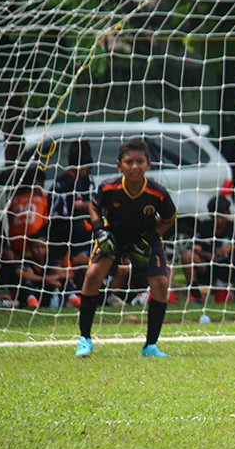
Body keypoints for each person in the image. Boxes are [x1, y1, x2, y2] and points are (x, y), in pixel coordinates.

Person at [76, 137, 177, 358]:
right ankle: (84, 339)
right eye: (129, 161)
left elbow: (169, 218)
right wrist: (99, 230)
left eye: (140, 161)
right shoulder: (108, 187)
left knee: (161, 283)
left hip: (145, 238)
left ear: (148, 165)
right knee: (93, 275)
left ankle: (150, 346)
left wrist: (150, 238)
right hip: (114, 236)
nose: (134, 166)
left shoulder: (157, 192)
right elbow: (94, 207)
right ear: (119, 165)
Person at [181, 195, 235, 303]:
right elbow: (195, 248)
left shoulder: (234, 227)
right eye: (215, 216)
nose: (218, 220)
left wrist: (231, 247)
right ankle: (195, 295)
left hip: (228, 267)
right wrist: (212, 255)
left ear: (227, 214)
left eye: (221, 216)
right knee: (187, 256)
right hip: (207, 267)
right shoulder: (204, 226)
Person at [48, 140, 94, 285]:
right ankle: (79, 287)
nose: (86, 173)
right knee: (80, 257)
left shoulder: (59, 179)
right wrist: (95, 204)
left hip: (54, 224)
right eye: (86, 169)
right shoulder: (73, 180)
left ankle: (67, 287)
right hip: (68, 225)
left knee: (58, 259)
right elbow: (77, 205)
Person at [17, 233, 79, 309]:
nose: (40, 250)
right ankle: (31, 300)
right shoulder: (26, 261)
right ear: (29, 248)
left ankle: (73, 298)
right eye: (36, 247)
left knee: (64, 280)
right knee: (27, 282)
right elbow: (22, 274)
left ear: (47, 248)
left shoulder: (50, 262)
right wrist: (45, 279)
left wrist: (54, 278)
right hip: (32, 291)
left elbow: (67, 274)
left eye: (43, 247)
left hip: (46, 293)